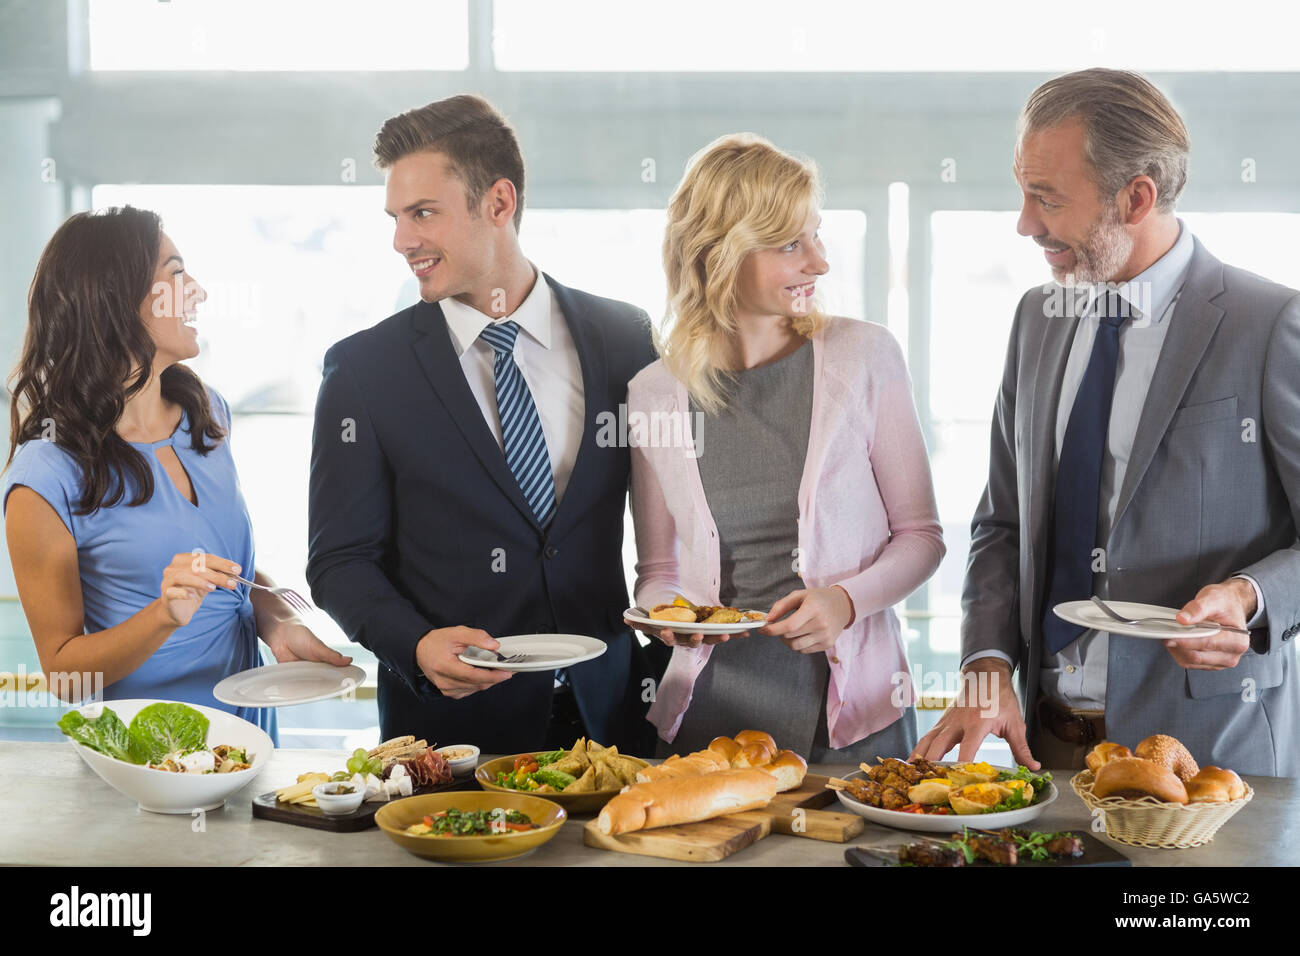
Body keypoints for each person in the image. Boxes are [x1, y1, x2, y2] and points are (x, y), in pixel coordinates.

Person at [914, 68, 1300, 777]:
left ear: (1137, 197)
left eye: (1047, 199)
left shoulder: (1270, 324)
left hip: (1206, 760)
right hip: (1048, 752)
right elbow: (1002, 525)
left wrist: (1249, 598)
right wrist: (987, 662)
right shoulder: (1037, 318)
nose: (1025, 222)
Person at [306, 94, 663, 756]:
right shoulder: (364, 371)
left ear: (499, 204)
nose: (401, 240)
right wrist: (413, 643)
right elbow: (339, 562)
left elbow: (673, 516)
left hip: (614, 719)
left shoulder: (625, 338)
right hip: (455, 734)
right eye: (395, 217)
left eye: (422, 214)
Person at [626, 133, 945, 761]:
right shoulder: (654, 393)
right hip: (708, 720)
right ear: (719, 253)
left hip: (857, 721)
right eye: (791, 243)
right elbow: (657, 576)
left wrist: (845, 602)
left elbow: (922, 537)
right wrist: (670, 618)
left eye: (816, 235)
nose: (819, 262)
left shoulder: (865, 356)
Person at [3, 206, 350, 737]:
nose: (199, 293)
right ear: (113, 298)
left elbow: (225, 572)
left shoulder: (205, 414)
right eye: (176, 274)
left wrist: (277, 619)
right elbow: (64, 674)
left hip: (249, 743)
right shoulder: (46, 474)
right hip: (148, 765)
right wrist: (163, 614)